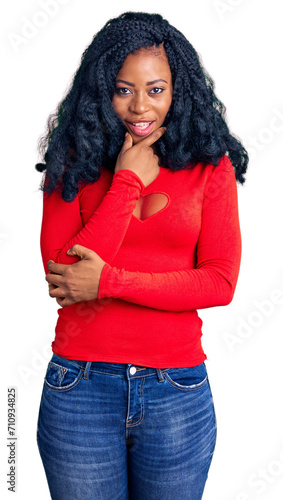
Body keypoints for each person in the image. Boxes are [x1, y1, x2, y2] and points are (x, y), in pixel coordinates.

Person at [35, 11, 248, 500]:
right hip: (80, 390)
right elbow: (64, 279)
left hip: (177, 392)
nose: (139, 106)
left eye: (156, 89)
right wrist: (127, 182)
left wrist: (109, 281)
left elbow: (218, 282)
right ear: (101, 89)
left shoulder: (208, 166)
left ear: (179, 90)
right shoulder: (73, 161)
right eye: (123, 88)